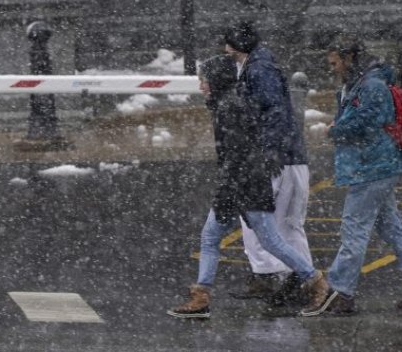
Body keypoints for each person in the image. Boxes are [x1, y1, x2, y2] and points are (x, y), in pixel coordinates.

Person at [167, 56, 328, 319]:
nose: (201, 86)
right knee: (211, 237)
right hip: (243, 184)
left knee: (271, 241)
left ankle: (317, 282)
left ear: (216, 79)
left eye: (203, 80)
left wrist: (226, 193)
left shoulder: (229, 107)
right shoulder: (230, 102)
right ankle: (201, 296)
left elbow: (238, 156)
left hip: (246, 186)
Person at [300, 40, 402, 316]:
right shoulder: (359, 84)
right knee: (391, 228)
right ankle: (341, 291)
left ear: (349, 58)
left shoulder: (371, 86)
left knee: (354, 230)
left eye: (335, 63)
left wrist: (335, 129)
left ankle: (340, 292)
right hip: (374, 165)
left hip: (371, 167)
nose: (332, 69)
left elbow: (367, 122)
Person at [224, 21, 313, 305]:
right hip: (291, 156)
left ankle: (271, 275)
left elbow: (271, 110)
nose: (226, 49)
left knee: (258, 220)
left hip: (274, 158)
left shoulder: (258, 69)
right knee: (289, 224)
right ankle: (301, 279)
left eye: (228, 43)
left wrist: (268, 149)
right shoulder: (263, 65)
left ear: (238, 45)